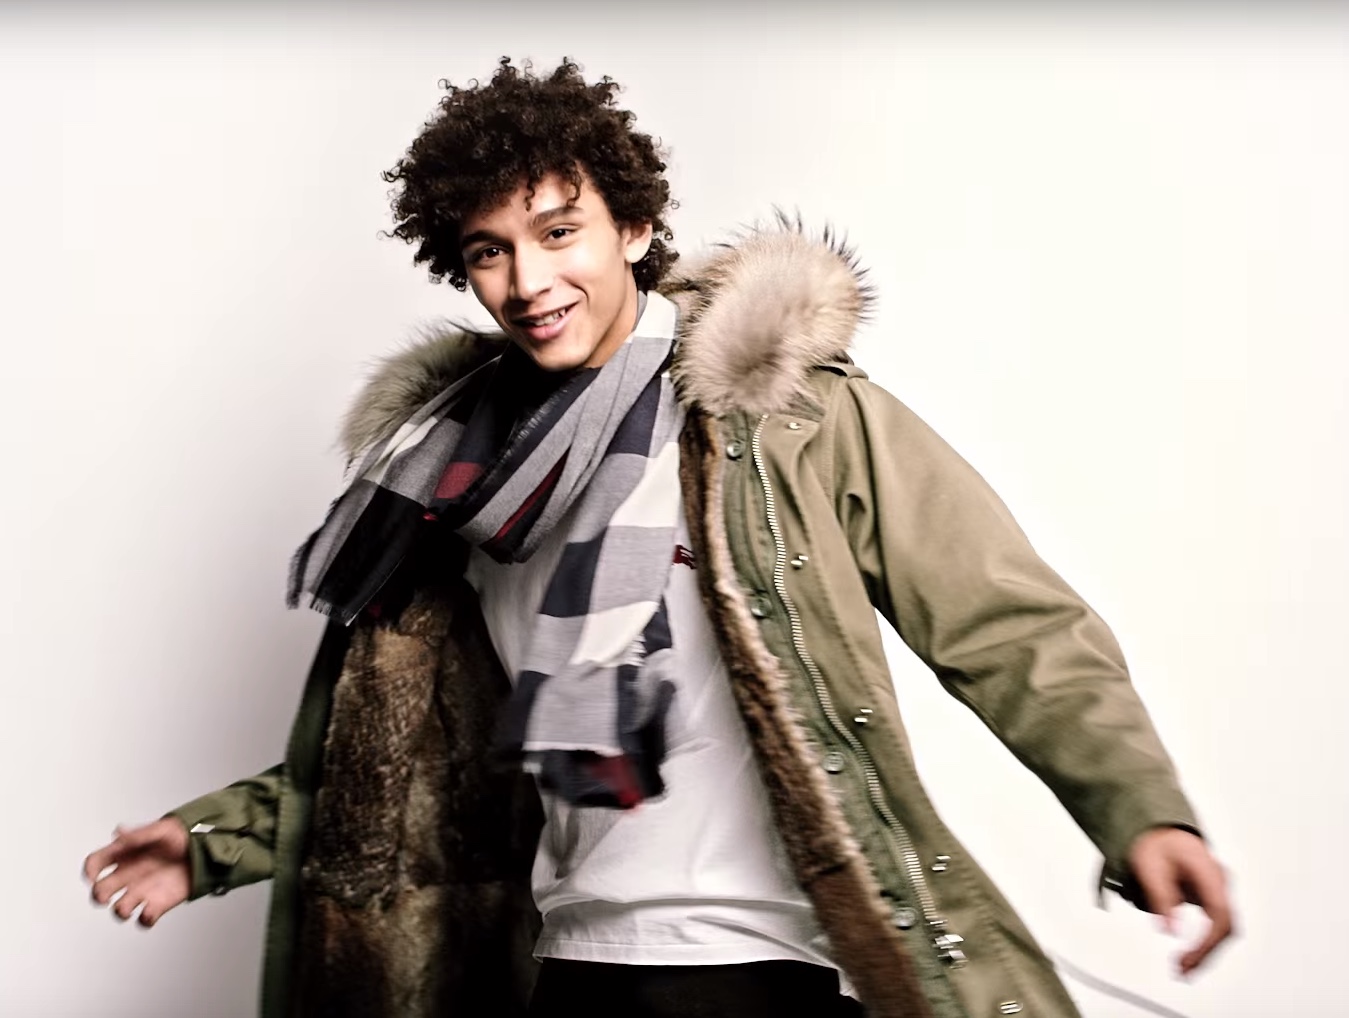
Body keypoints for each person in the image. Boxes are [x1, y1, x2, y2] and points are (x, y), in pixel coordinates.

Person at [82, 57, 1234, 1018]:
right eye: (488, 249)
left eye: (558, 231)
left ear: (631, 226)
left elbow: (1002, 620)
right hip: (575, 968)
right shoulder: (462, 488)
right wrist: (213, 840)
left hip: (773, 961)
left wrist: (1138, 805)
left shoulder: (784, 417)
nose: (529, 280)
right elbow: (410, 765)